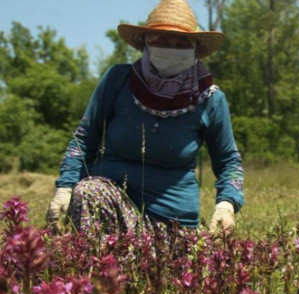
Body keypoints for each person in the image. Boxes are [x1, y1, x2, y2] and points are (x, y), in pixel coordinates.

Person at [45, 0, 244, 236]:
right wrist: (66, 187)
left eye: (181, 43)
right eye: (163, 41)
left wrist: (227, 204)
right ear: (147, 44)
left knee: (164, 270)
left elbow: (228, 160)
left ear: (194, 49)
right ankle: (100, 271)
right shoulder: (118, 80)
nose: (171, 47)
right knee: (89, 193)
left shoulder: (209, 98)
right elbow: (84, 139)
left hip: (173, 219)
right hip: (110, 203)